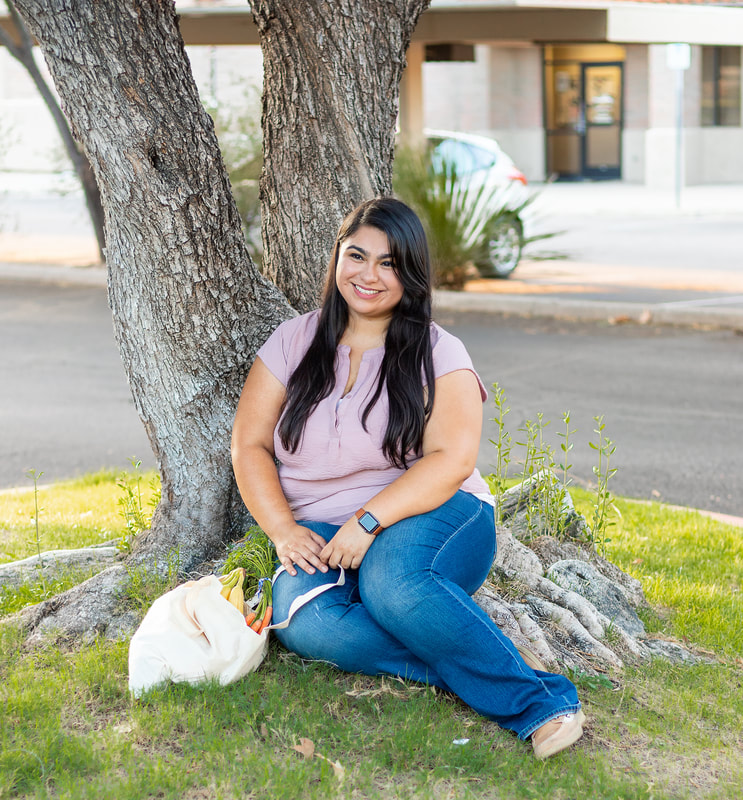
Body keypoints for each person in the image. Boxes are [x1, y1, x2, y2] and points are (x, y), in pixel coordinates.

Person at [231, 197, 585, 759]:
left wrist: (368, 521)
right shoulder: (292, 342)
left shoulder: (439, 351)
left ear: (411, 274)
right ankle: (466, 661)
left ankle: (538, 705)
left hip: (435, 513)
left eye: (389, 263)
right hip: (320, 528)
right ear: (337, 258)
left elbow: (451, 460)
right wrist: (282, 529)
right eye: (357, 256)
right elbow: (248, 444)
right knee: (306, 621)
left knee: (391, 585)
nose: (369, 275)